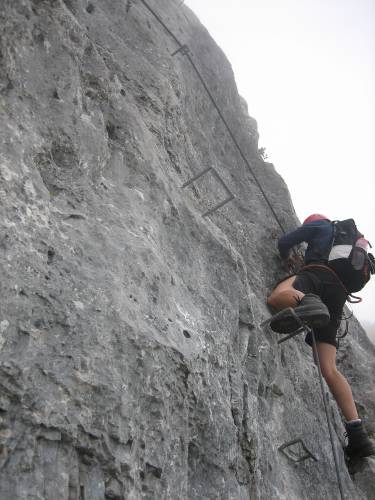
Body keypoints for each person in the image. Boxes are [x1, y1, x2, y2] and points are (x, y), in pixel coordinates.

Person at [267, 213, 375, 459]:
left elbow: (285, 241)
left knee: (278, 296)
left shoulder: (321, 225)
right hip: (338, 294)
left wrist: (289, 258)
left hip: (317, 276)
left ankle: (307, 302)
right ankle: (358, 436)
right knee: (329, 368)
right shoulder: (348, 243)